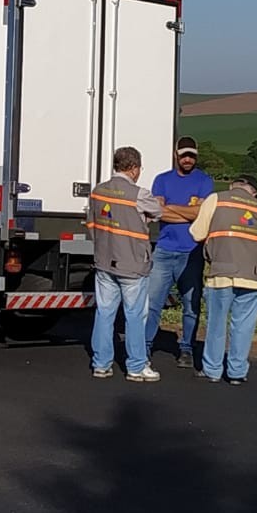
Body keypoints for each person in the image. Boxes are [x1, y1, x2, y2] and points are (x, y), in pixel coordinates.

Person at [189, 174, 257, 385]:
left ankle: (213, 370)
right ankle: (237, 372)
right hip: (254, 276)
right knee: (244, 326)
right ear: (254, 192)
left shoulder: (217, 199)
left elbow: (197, 233)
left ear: (231, 186)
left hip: (222, 274)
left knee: (217, 324)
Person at [87, 146, 163, 382]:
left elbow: (91, 224)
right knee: (135, 315)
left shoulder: (98, 192)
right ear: (134, 169)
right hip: (132, 264)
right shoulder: (139, 193)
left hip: (104, 261)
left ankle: (101, 364)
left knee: (104, 313)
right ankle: (136, 366)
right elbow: (157, 212)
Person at [145, 136, 214, 367]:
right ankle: (145, 347)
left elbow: (201, 214)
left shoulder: (205, 180)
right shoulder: (162, 179)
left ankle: (186, 349)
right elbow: (157, 212)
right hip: (164, 250)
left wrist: (171, 208)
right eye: (184, 155)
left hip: (192, 251)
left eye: (191, 156)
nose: (187, 159)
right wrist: (187, 212)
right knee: (153, 302)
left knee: (191, 305)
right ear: (176, 154)